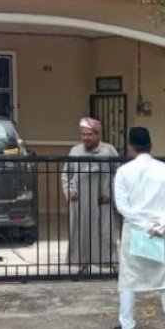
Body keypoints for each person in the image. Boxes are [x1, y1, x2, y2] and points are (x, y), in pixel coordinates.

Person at [111, 127, 165, 329]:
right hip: (159, 231)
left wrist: (142, 225)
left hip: (134, 231)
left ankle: (127, 328)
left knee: (129, 280)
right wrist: (157, 225)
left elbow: (122, 206)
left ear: (130, 146)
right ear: (150, 144)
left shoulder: (124, 172)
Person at [61, 117, 119, 274]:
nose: (85, 138)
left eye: (89, 134)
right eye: (83, 134)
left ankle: (112, 261)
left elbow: (117, 174)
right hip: (80, 199)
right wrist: (70, 190)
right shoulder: (75, 151)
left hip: (102, 197)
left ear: (98, 134)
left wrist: (111, 194)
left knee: (106, 230)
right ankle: (82, 263)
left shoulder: (109, 150)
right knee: (81, 230)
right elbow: (67, 174)